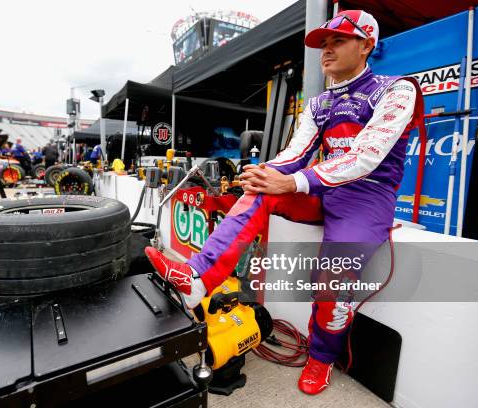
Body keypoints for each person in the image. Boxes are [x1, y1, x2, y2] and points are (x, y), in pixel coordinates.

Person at [144, 10, 424, 395]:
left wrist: (291, 180)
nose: (326, 51)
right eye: (323, 44)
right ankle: (197, 279)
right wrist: (261, 172)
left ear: (366, 45)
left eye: (337, 41)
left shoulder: (397, 90)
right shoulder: (320, 102)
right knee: (259, 189)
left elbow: (366, 156)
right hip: (323, 190)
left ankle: (322, 358)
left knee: (331, 280)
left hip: (368, 198)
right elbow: (293, 155)